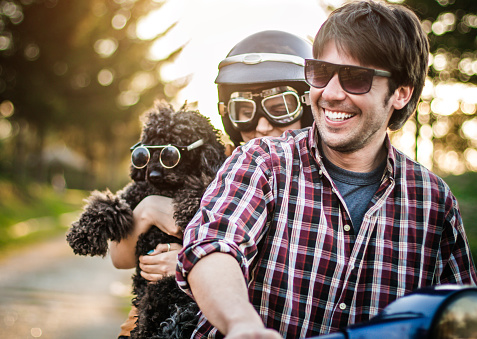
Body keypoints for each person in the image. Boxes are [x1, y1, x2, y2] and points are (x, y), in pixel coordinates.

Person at [176, 1, 477, 338]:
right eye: (321, 73)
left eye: (356, 78)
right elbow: (214, 247)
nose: (330, 94)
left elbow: (460, 315)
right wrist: (240, 322)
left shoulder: (434, 204)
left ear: (400, 93)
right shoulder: (263, 161)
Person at [109, 30, 314, 339]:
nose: (261, 124)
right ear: (228, 116)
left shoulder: (316, 182)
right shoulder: (209, 166)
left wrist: (189, 265)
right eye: (244, 111)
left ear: (307, 106)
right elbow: (120, 257)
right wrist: (150, 208)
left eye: (280, 106)